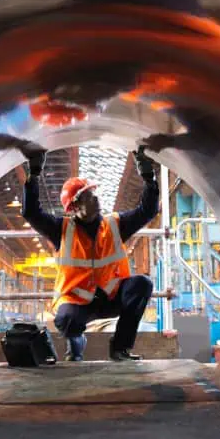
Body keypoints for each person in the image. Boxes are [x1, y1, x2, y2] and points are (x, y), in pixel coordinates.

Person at [22, 147, 159, 362]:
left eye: (93, 193)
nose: (95, 198)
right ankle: (76, 344)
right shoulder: (61, 229)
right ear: (74, 207)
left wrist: (148, 176)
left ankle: (120, 348)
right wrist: (34, 174)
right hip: (78, 303)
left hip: (111, 297)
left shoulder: (115, 225)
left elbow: (147, 211)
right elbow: (31, 212)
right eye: (87, 196)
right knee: (66, 321)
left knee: (142, 284)